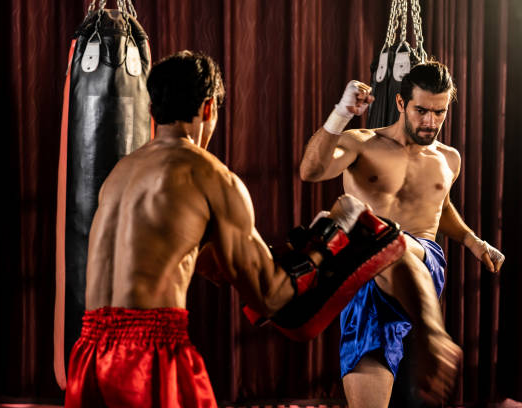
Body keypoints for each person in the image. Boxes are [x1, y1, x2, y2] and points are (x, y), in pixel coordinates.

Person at [63, 50, 407, 408]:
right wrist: (330, 235)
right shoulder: (209, 175)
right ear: (209, 107)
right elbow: (272, 298)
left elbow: (184, 258)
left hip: (89, 352)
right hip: (151, 356)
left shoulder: (120, 174)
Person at [299, 61, 504, 407]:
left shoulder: (448, 159)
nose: (430, 122)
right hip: (365, 279)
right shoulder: (363, 144)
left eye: (439, 113)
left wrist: (473, 241)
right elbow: (311, 171)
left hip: (422, 259)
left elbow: (441, 207)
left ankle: (432, 334)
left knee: (385, 238)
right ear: (400, 103)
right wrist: (341, 114)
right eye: (421, 110)